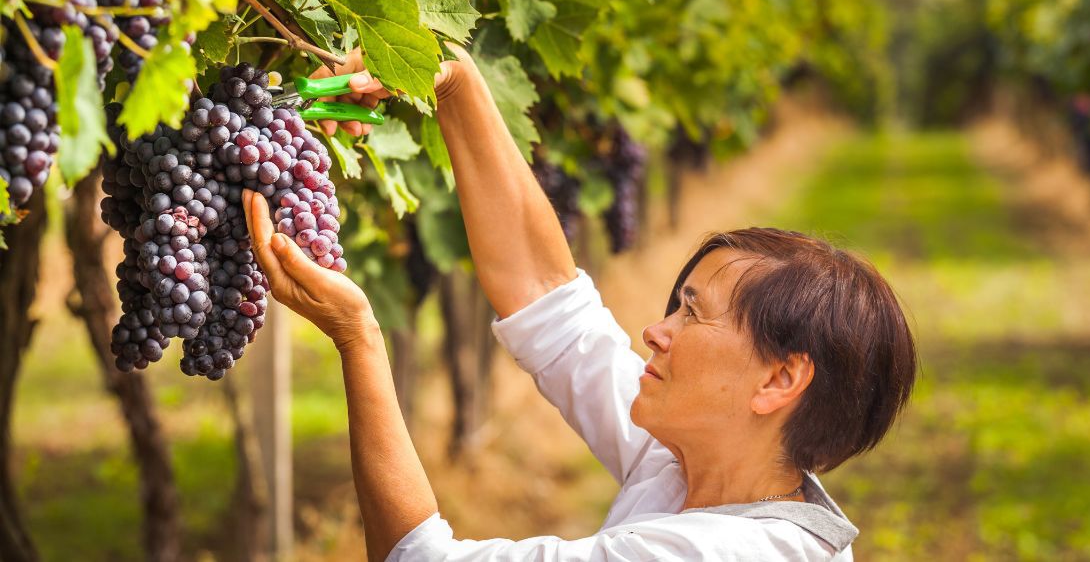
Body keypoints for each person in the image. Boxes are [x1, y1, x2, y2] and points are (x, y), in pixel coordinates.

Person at [243, 46, 918, 561]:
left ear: (780, 379)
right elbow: (547, 298)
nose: (655, 332)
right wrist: (454, 84)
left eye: (694, 313)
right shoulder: (702, 467)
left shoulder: (709, 553)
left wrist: (358, 337)